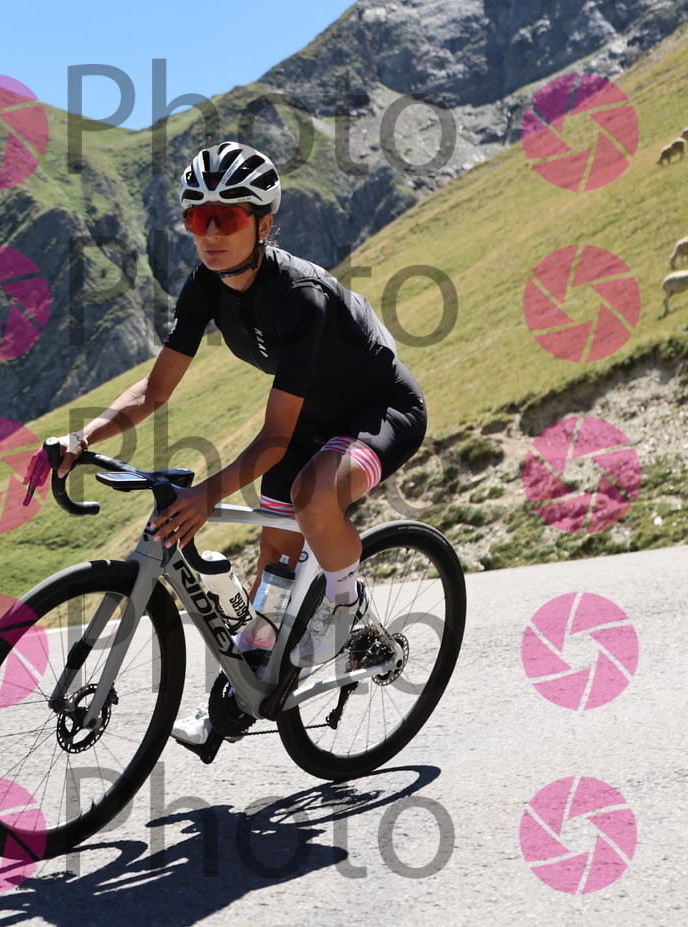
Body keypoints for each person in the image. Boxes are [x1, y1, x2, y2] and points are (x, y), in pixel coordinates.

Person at [47, 141, 428, 749]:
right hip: (311, 420)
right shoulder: (205, 286)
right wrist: (82, 436)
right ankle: (245, 695)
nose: (210, 233)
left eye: (225, 217)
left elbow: (274, 436)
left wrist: (205, 496)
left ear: (264, 224)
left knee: (312, 499)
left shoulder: (301, 295)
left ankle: (345, 607)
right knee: (273, 566)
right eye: (198, 218)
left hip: (380, 408)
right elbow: (153, 390)